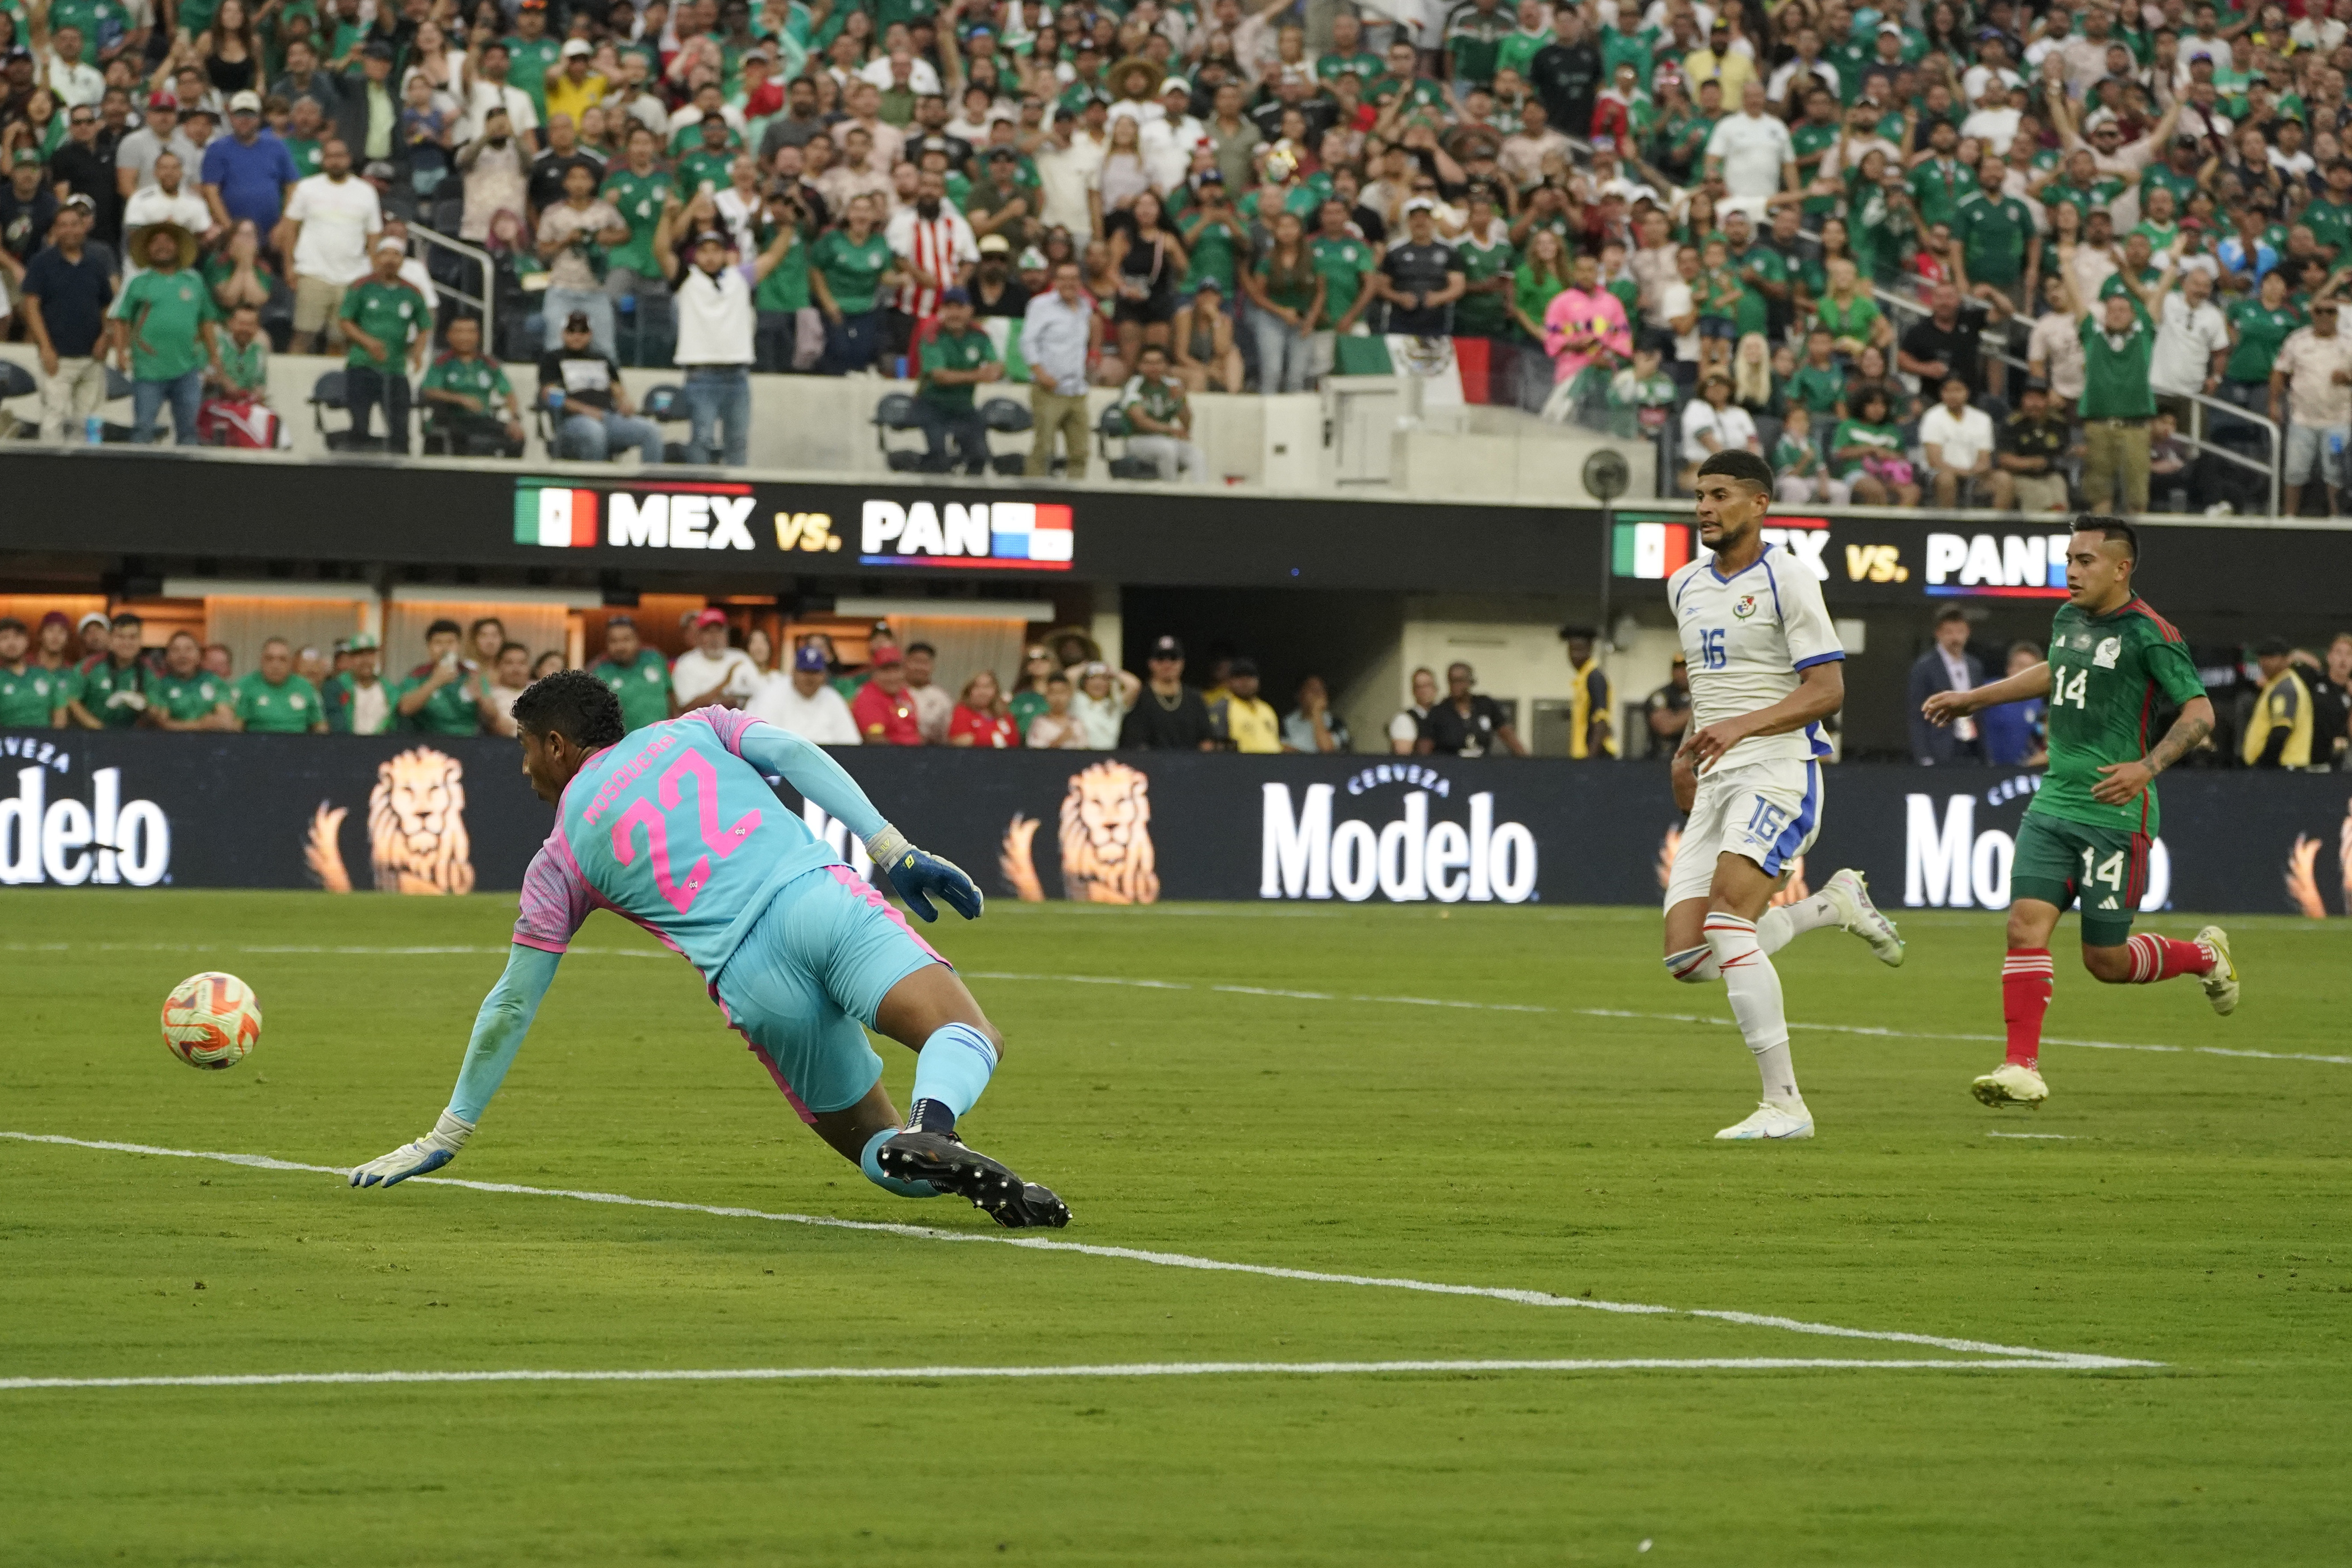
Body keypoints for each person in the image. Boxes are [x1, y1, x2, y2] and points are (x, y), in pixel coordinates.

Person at [347, 671, 1070, 1229]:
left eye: (526, 747)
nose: (526, 765)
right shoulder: (694, 730)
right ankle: (937, 1127)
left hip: (753, 983)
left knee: (881, 1154)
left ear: (558, 746)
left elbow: (511, 1003)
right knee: (966, 1034)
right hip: (818, 902)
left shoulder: (559, 859)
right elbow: (791, 753)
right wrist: (894, 849)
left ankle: (932, 1154)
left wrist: (450, 1131)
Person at [1921, 517, 2235, 1111]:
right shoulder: (2067, 619)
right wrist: (1976, 697)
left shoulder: (2151, 633)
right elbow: (2058, 672)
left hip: (2117, 814)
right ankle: (2021, 1066)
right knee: (2023, 926)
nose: (2071, 570)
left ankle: (2204, 956)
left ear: (2122, 568)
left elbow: (2200, 713)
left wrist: (2148, 766)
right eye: (2069, 558)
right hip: (2053, 803)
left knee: (2106, 962)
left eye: (2086, 560)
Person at [1664, 450, 1906, 1143]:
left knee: (1729, 925)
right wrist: (1687, 749)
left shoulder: (1789, 578)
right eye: (1700, 496)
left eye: (1718, 495)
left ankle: (1786, 1105)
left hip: (1778, 766)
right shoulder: (1684, 585)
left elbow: (1827, 692)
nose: (1704, 508)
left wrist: (1738, 727)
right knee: (1689, 960)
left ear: (1759, 503)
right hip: (1716, 776)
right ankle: (1831, 906)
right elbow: (1711, 689)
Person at [656, 203, 796, 466]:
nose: (710, 257)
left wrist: (788, 228)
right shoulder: (687, 279)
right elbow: (662, 252)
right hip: (701, 375)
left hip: (737, 375)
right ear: (695, 256)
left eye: (716, 251)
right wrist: (666, 217)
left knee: (738, 441)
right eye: (704, 251)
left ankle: (738, 493)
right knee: (702, 440)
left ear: (725, 254)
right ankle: (700, 491)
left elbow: (774, 257)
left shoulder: (740, 278)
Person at [108, 220, 220, 445]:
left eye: (168, 241)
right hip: (148, 371)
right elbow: (121, 320)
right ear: (147, 250)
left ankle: (186, 480)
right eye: (156, 242)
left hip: (188, 370)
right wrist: (121, 354)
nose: (162, 246)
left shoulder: (194, 281)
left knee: (189, 432)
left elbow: (206, 321)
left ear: (178, 248)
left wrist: (214, 356)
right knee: (143, 429)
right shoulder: (138, 283)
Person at [19, 196, 114, 441]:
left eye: (75, 224)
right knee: (54, 419)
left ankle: (91, 473)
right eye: (64, 225)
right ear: (56, 230)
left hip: (93, 357)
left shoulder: (96, 264)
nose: (70, 230)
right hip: (57, 358)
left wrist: (106, 337)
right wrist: (46, 348)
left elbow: (107, 306)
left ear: (84, 227)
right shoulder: (41, 263)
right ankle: (51, 477)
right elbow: (32, 307)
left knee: (92, 422)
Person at [338, 233, 429, 451]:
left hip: (395, 369)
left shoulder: (412, 292)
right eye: (385, 254)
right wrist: (368, 342)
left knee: (400, 431)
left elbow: (425, 325)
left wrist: (417, 352)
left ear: (403, 260)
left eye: (396, 255)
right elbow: (345, 321)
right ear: (377, 258)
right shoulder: (361, 287)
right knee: (360, 426)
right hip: (362, 367)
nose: (390, 259)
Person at [538, 310, 666, 463]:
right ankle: (595, 486)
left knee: (651, 431)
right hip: (573, 421)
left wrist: (625, 402)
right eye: (571, 331)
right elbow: (550, 395)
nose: (577, 336)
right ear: (563, 333)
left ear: (590, 334)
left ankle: (651, 485)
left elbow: (618, 389)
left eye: (583, 331)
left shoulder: (602, 358)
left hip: (608, 417)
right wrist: (586, 411)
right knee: (595, 432)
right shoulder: (552, 359)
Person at [2270, 298, 2352, 519]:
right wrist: (2273, 403)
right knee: (2295, 471)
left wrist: (2348, 378)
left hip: (2338, 422)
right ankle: (2289, 516)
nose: (2325, 316)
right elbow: (2279, 371)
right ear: (2312, 314)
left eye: (2331, 312)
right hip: (2302, 420)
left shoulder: (2349, 343)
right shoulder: (2297, 341)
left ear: (2338, 315)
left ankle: (2337, 517)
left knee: (2336, 471)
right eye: (2320, 311)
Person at [911, 286, 999, 474]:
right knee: (938, 458)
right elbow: (940, 377)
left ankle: (970, 496)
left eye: (959, 308)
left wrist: (993, 371)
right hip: (933, 405)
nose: (954, 313)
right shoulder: (932, 337)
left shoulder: (979, 336)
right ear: (942, 311)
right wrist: (977, 375)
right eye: (949, 308)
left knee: (980, 457)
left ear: (970, 311)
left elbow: (997, 367)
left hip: (964, 407)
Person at [1021, 258, 1095, 478]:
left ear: (1081, 282)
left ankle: (1076, 499)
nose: (1068, 284)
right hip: (1049, 390)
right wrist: (1041, 374)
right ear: (1054, 281)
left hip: (1077, 391)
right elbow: (1027, 342)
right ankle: (1034, 497)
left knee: (1080, 451)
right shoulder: (1041, 305)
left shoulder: (1085, 307)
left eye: (1073, 279)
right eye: (1063, 279)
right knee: (1044, 450)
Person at [418, 314, 523, 456]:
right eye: (460, 332)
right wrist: (461, 399)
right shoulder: (441, 363)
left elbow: (509, 395)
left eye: (470, 332)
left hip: (481, 420)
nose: (465, 337)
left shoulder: (489, 364)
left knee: (516, 438)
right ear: (449, 336)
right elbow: (430, 391)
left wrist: (514, 420)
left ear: (478, 336)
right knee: (466, 441)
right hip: (449, 420)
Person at [1907, 607, 1984, 766]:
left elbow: (1980, 711)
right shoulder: (1924, 667)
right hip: (1940, 746)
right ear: (1939, 633)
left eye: (1960, 632)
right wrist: (1923, 756)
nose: (1955, 638)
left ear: (1968, 632)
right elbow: (1916, 715)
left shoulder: (1974, 666)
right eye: (1949, 632)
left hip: (1971, 745)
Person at [1119, 343, 1205, 480]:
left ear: (1166, 365)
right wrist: (1171, 430)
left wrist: (1182, 401)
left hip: (1166, 438)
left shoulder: (1172, 385)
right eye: (1148, 363)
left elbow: (1187, 423)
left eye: (1159, 363)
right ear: (1140, 366)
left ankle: (1201, 497)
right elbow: (1140, 421)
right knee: (1167, 449)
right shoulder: (1134, 385)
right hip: (1138, 440)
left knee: (1196, 455)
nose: (1154, 368)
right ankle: (1171, 495)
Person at [746, 643, 860, 743]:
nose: (810, 678)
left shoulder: (832, 699)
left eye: (815, 672)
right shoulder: (771, 694)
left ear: (824, 675)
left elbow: (851, 744)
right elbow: (756, 741)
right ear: (793, 672)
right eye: (805, 672)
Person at [1119, 634, 1216, 750]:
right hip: (1150, 765)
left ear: (1182, 663)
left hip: (1191, 765)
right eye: (1160, 659)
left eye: (1173, 658)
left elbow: (1206, 741)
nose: (1167, 664)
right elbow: (1133, 744)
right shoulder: (1139, 699)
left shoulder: (1195, 699)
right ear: (1151, 663)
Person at [1992, 380, 2073, 514]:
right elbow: (2004, 459)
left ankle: (2060, 531)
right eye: (2030, 398)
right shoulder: (2012, 424)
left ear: (2048, 401)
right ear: (2022, 400)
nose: (2035, 404)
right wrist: (2031, 463)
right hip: (2020, 476)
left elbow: (2065, 453)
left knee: (2059, 491)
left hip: (2051, 474)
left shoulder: (2058, 424)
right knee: (2040, 496)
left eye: (2040, 399)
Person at [395, 619, 486, 735]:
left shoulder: (472, 675)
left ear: (459, 646)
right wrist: (435, 682)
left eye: (451, 642)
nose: (445, 648)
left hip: (469, 741)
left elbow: (492, 717)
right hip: (430, 742)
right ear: (429, 647)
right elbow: (405, 709)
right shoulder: (417, 676)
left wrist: (481, 698)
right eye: (438, 643)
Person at [1918, 374, 1995, 510]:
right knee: (1947, 480)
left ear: (1967, 392)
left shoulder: (1983, 419)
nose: (1952, 395)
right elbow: (1935, 462)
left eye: (1957, 390)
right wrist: (1963, 473)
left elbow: (1984, 460)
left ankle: (1994, 528)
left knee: (2003, 480)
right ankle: (1948, 528)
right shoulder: (1932, 417)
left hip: (1973, 474)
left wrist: (1975, 471)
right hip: (1939, 473)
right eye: (1947, 391)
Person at [1418, 663, 1525, 757]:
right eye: (1452, 681)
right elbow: (1425, 751)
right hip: (1451, 770)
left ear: (1470, 681)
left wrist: (1527, 761)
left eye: (1460, 681)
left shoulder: (1485, 705)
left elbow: (1508, 735)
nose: (1455, 685)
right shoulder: (1439, 712)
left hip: (1481, 769)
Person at [588, 617, 673, 733]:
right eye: (614, 641)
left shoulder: (655, 658)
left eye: (626, 639)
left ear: (638, 640)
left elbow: (671, 696)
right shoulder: (599, 671)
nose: (620, 646)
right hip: (625, 745)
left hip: (664, 740)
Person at [2239, 637, 2314, 769]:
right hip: (2284, 767)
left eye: (2271, 658)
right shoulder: (2277, 684)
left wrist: (2264, 765)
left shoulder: (2285, 687)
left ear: (2286, 659)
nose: (2264, 662)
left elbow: (2281, 731)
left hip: (2283, 767)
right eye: (2262, 657)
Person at [1976, 642, 2049, 769]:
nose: (2025, 672)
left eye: (2031, 668)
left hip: (2020, 773)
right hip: (1988, 771)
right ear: (2009, 668)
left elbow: (2040, 737)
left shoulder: (2037, 702)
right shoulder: (1990, 690)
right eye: (2021, 666)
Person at [233, 636, 327, 733]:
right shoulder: (245, 686)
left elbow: (321, 727)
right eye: (270, 659)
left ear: (290, 663)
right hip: (258, 746)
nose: (276, 665)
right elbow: (234, 731)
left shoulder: (306, 687)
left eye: (283, 660)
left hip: (298, 746)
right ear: (261, 661)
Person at [671, 608, 760, 711]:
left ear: (727, 635)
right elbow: (686, 707)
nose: (715, 638)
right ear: (699, 636)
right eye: (708, 632)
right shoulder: (687, 663)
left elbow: (760, 694)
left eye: (719, 631)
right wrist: (725, 683)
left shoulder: (741, 658)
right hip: (703, 725)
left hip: (741, 722)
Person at [0, 618, 69, 728]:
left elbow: (60, 713)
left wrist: (54, 740)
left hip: (44, 742)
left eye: (17, 637)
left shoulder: (45, 675)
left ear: (27, 641)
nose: (11, 643)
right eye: (4, 638)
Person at [849, 644, 924, 745]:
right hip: (891, 756)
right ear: (874, 673)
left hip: (915, 753)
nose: (892, 677)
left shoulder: (904, 693)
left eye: (896, 670)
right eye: (886, 671)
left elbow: (913, 731)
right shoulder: (868, 698)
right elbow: (875, 740)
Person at [323, 633, 395, 734]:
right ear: (351, 659)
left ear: (376, 657)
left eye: (370, 654)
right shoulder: (336, 687)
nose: (365, 661)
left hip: (383, 746)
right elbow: (337, 725)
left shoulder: (389, 689)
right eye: (359, 655)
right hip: (347, 746)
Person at [1559, 626, 1614, 759]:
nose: (1574, 656)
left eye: (1580, 650)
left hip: (1597, 756)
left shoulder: (1594, 677)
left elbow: (1601, 720)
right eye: (1571, 650)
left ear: (1590, 650)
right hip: (1582, 755)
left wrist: (1591, 761)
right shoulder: (1582, 679)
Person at [1208, 657, 1280, 753]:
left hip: (1273, 764)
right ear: (1229, 681)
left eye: (1250, 677)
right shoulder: (1222, 708)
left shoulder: (1267, 709)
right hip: (1241, 764)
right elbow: (1217, 745)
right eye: (1239, 678)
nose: (1245, 682)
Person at [1068, 661, 1132, 750]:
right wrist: (1086, 667)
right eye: (1093, 678)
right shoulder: (1077, 699)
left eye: (1104, 679)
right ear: (1085, 682)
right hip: (1080, 754)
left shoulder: (1115, 704)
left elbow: (1134, 685)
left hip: (1107, 755)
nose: (1098, 684)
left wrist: (1113, 672)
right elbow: (1069, 677)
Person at [948, 670, 1018, 748]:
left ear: (996, 690)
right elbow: (962, 742)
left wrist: (978, 737)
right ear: (970, 691)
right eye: (977, 687)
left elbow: (1014, 744)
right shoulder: (962, 711)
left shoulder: (1006, 716)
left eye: (987, 687)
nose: (982, 692)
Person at [1281, 674, 1348, 754]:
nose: (1318, 693)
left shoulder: (1336, 723)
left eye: (1321, 689)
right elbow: (1280, 750)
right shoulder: (1287, 723)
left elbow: (1327, 749)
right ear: (1299, 695)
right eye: (1312, 689)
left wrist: (1317, 712)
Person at [1024, 673, 1088, 749]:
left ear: (1069, 694)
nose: (1058, 698)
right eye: (1053, 693)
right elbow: (1034, 752)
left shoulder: (1076, 723)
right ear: (1046, 695)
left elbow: (1084, 749)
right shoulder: (1039, 723)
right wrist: (1059, 741)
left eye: (1062, 692)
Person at [1643, 655, 1691, 755]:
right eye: (1678, 669)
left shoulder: (1700, 695)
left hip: (1694, 757)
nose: (1683, 673)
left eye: (1686, 669)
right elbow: (1666, 727)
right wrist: (1697, 712)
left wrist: (1678, 718)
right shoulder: (1661, 696)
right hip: (1662, 758)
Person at [1388, 666, 1437, 755]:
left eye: (1428, 685)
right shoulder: (1404, 719)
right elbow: (1403, 756)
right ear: (1414, 691)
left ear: (1435, 689)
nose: (1424, 691)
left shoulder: (1443, 715)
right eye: (1420, 687)